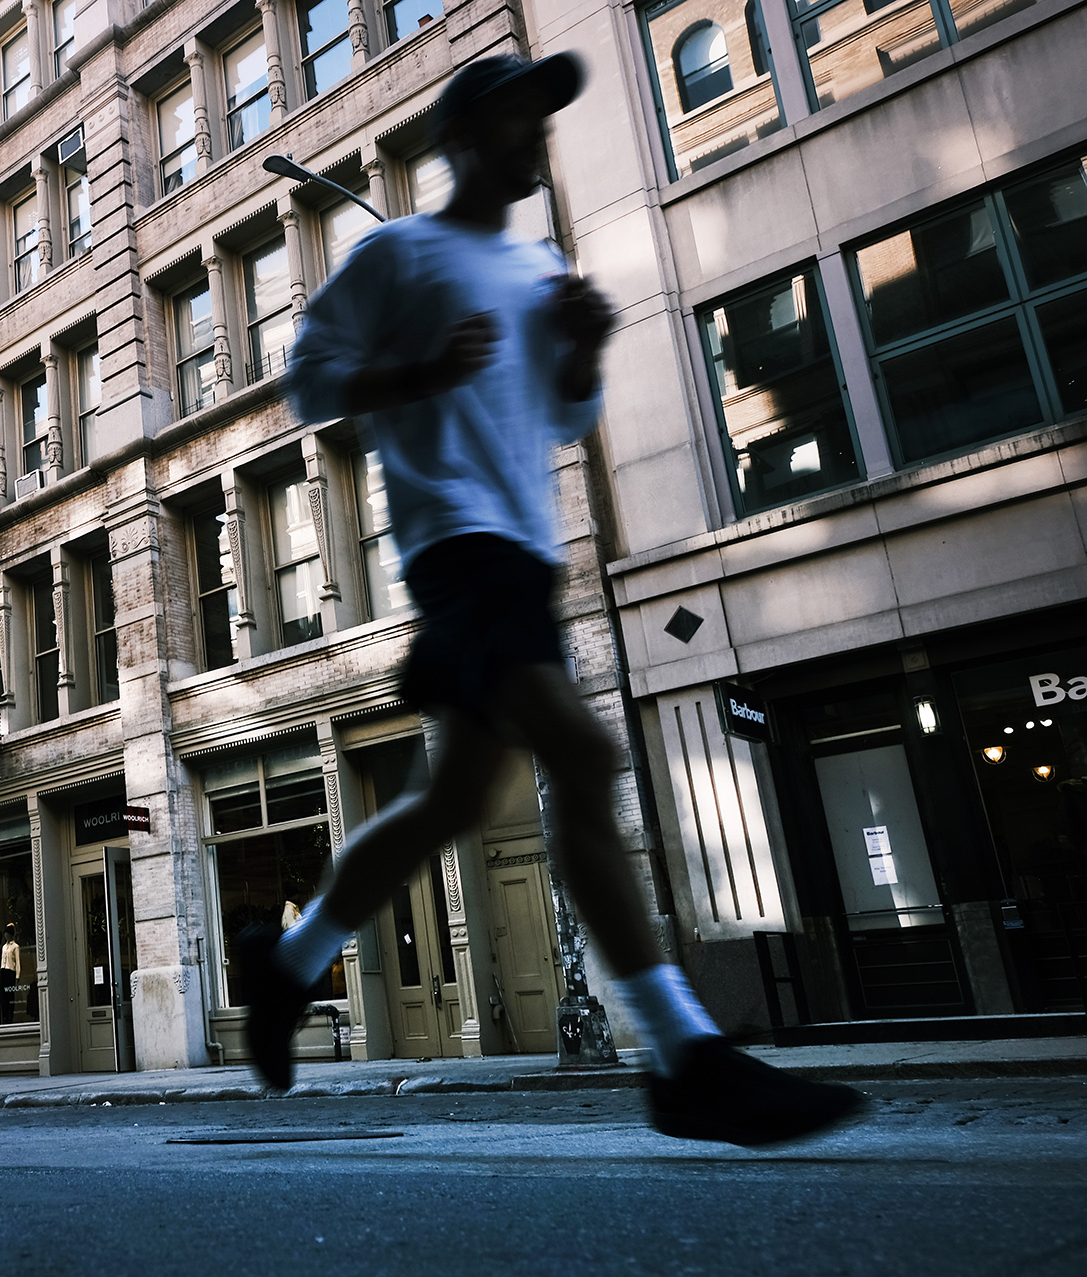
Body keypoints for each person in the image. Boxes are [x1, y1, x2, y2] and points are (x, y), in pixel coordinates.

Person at [251, 50, 863, 1147]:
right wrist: (413, 377)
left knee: (447, 805)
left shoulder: (543, 269)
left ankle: (288, 967)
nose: (536, 136)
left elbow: (562, 421)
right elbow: (306, 377)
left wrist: (579, 356)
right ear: (463, 137)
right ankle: (684, 1056)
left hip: (524, 555)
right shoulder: (397, 252)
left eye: (541, 119)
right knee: (587, 759)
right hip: (456, 542)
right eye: (517, 117)